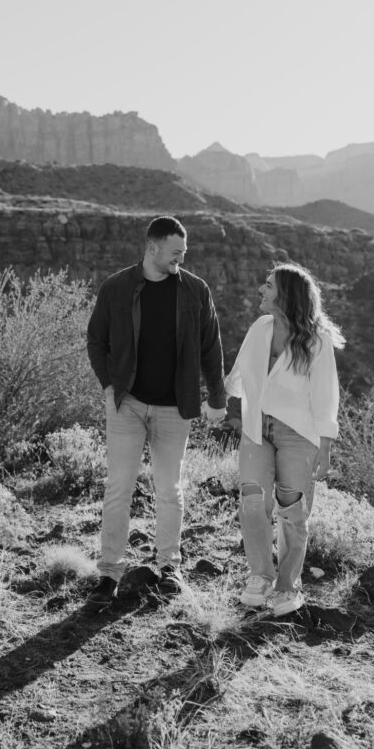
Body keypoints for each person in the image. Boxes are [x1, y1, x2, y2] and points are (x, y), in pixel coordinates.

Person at [85, 215, 227, 609]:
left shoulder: (195, 291)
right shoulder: (116, 287)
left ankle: (169, 568)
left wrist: (217, 397)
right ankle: (108, 574)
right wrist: (110, 384)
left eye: (184, 252)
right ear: (152, 248)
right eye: (175, 251)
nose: (182, 257)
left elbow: (210, 347)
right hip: (126, 404)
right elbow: (96, 341)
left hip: (174, 407)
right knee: (119, 488)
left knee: (169, 489)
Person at [224, 262, 345, 617]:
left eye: (268, 285)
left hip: (298, 434)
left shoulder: (316, 339)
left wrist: (324, 445)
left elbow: (326, 394)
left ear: (286, 295)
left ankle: (288, 586)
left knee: (293, 511)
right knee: (251, 499)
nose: (261, 290)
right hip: (255, 428)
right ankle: (260, 576)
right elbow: (240, 372)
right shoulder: (260, 327)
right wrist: (217, 399)